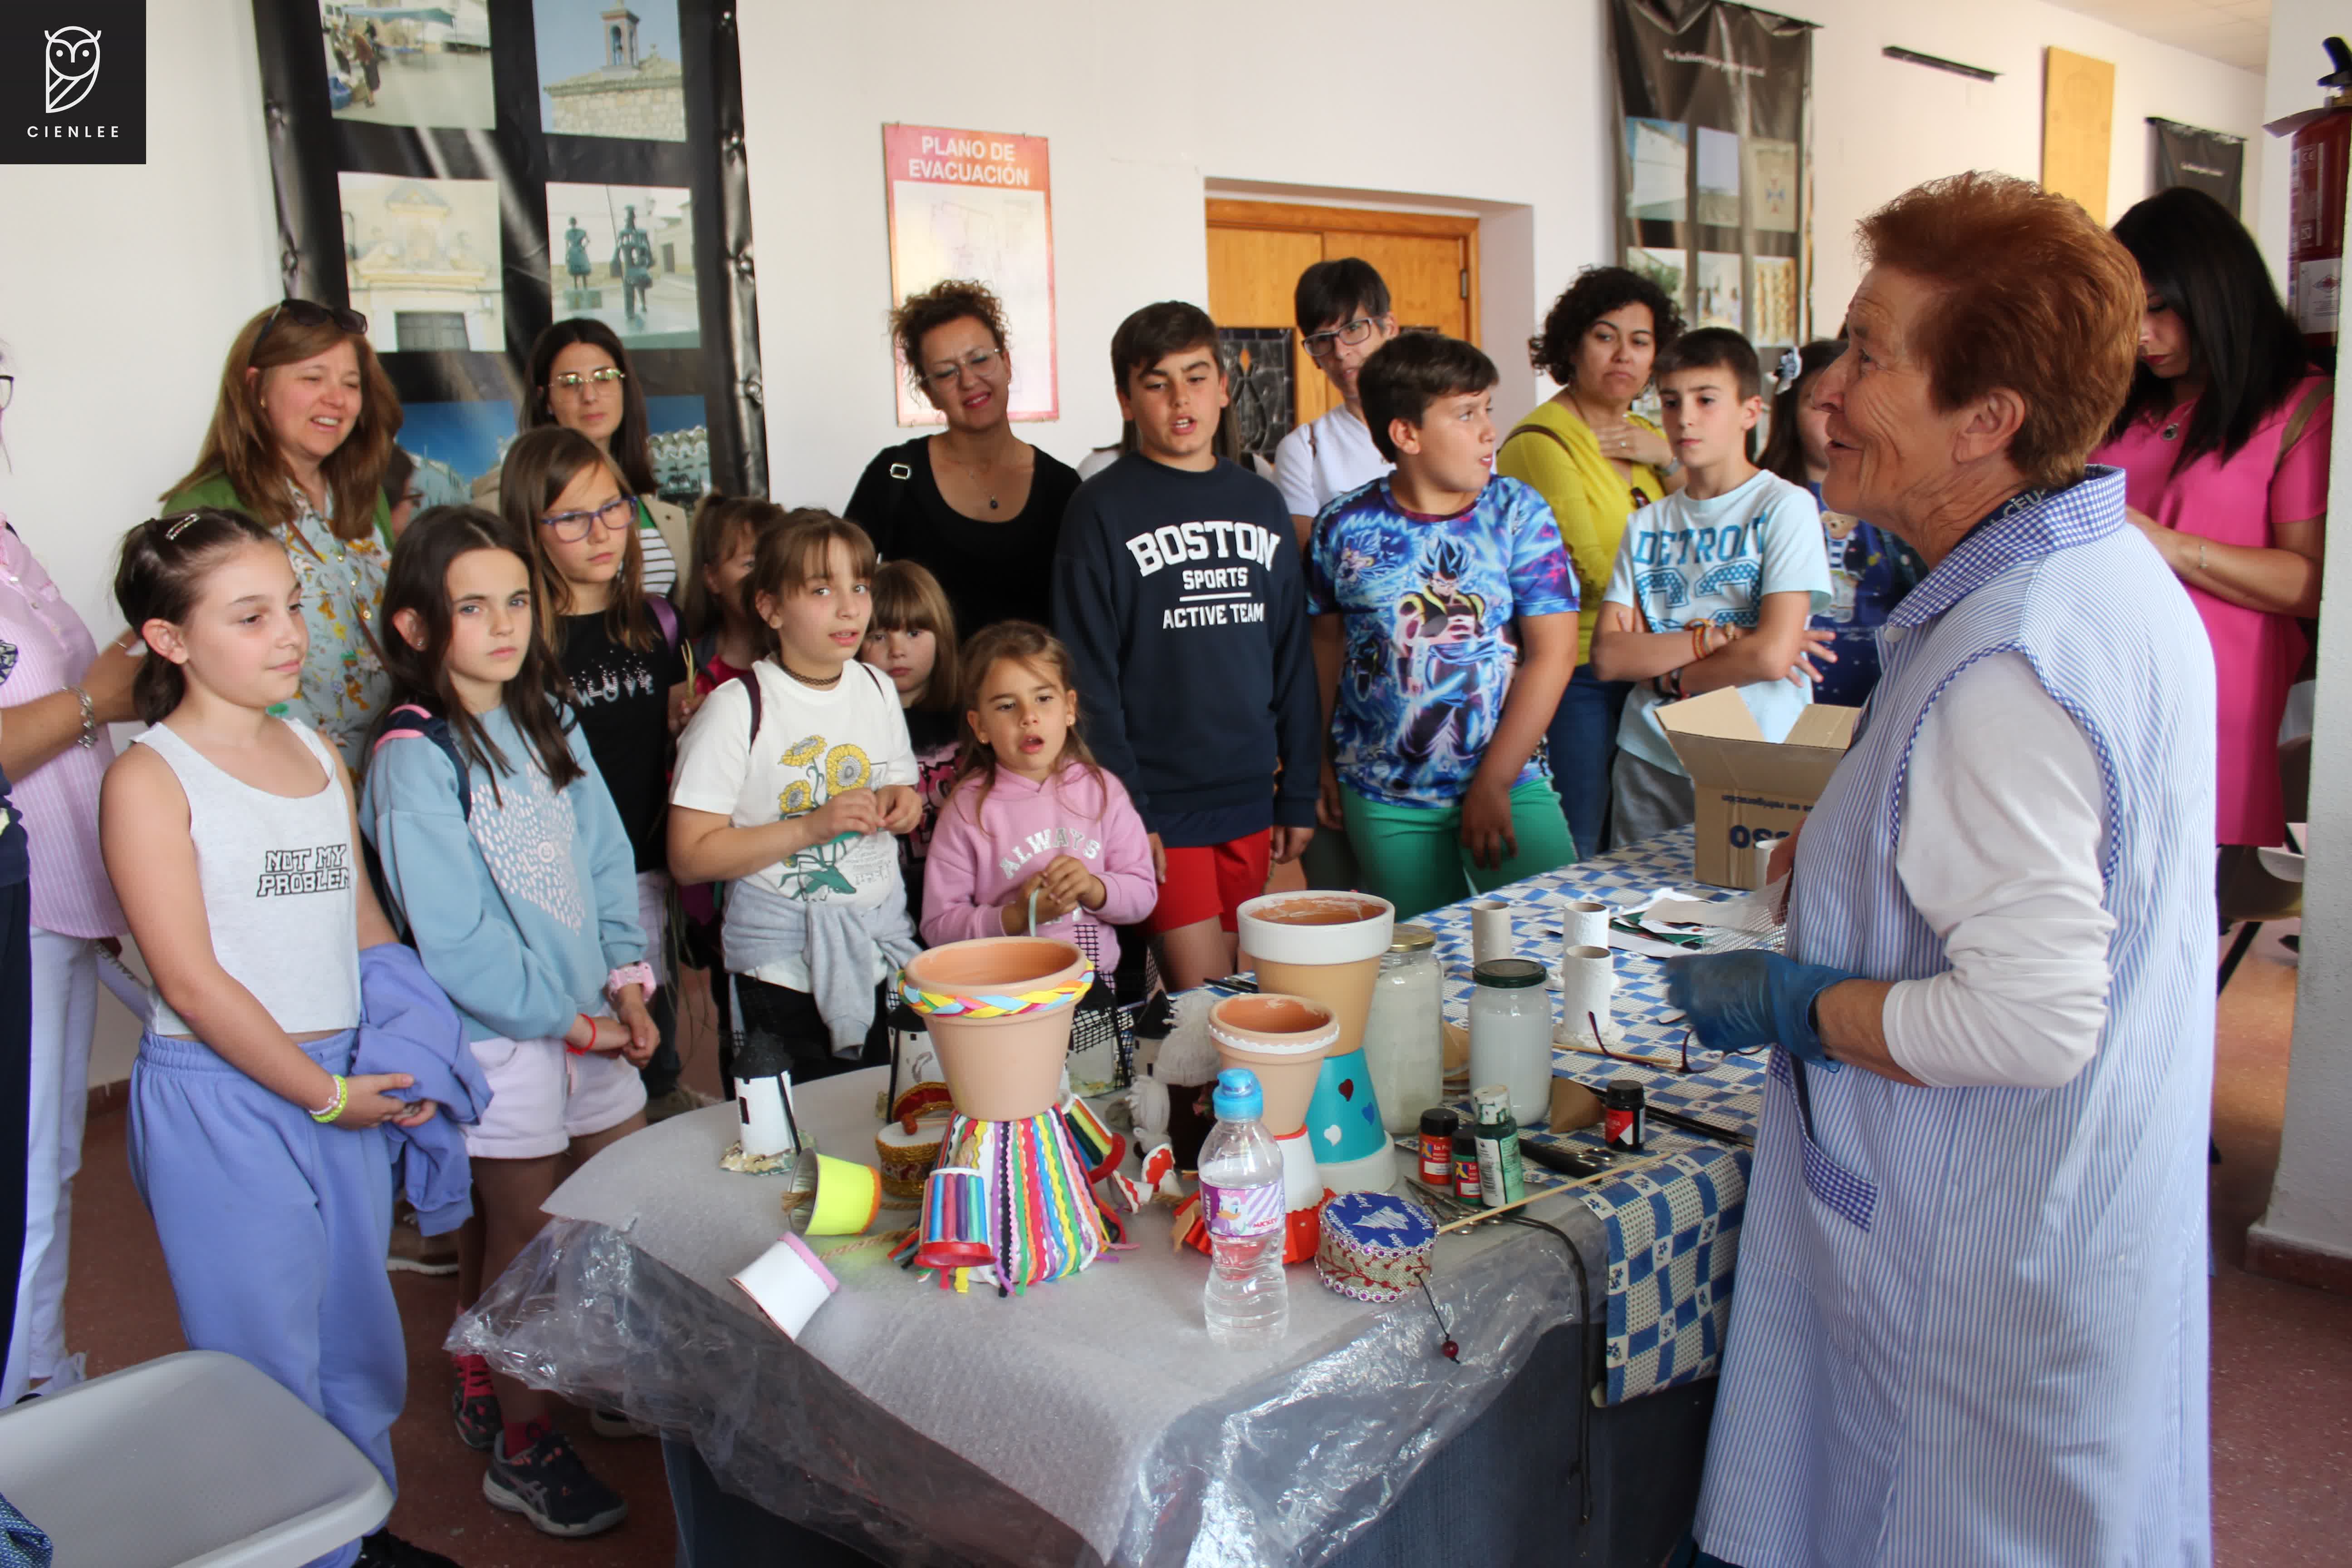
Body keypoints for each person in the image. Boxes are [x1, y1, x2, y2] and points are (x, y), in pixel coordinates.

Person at [1668, 172, 2215, 1568]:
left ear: (1988, 420)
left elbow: (2032, 1020)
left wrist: (1798, 1006)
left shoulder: (2009, 661)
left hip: (1972, 1268)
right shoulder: (2106, 576)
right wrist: (1857, 843)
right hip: (2069, 1214)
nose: (1828, 395)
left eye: (1869, 357)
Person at [101, 508, 456, 1568]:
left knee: (358, 1333)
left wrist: (409, 1036)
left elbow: (360, 920)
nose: (292, 633)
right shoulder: (149, 779)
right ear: (169, 639)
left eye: (292, 606)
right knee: (261, 1353)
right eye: (250, 616)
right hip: (227, 1096)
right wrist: (322, 1093)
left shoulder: (311, 749)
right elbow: (190, 980)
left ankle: (355, 1531)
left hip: (338, 1080)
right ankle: (295, 1552)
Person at [362, 507, 653, 1540]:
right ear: (414, 627)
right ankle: (521, 1445)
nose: (503, 625)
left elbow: (606, 857)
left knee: (615, 1207)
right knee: (528, 1245)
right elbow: (456, 939)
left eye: (517, 602)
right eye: (472, 607)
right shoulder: (414, 756)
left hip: (592, 1019)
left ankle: (587, 1373)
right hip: (502, 1036)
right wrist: (569, 1023)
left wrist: (625, 981)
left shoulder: (548, 714)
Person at [1053, 301, 1318, 991]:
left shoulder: (1261, 502)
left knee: (1258, 995)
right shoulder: (1099, 508)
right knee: (1203, 998)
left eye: (1196, 378)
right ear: (1126, 400)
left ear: (1224, 388)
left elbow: (1292, 657)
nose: (1180, 399)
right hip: (1160, 803)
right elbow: (1089, 680)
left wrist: (1298, 792)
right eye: (1157, 382)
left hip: (1252, 793)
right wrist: (1127, 812)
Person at [1306, 333, 1578, 921]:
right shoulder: (1342, 527)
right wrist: (1318, 763)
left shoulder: (1518, 513)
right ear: (1406, 434)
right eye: (1465, 414)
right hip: (1385, 794)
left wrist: (1494, 783)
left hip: (1513, 778)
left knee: (1557, 936)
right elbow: (1325, 647)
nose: (1488, 431)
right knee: (1425, 956)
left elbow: (1553, 655)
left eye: (1487, 410)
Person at [2092, 185, 2329, 853]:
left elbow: (2312, 584)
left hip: (2215, 709)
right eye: (2127, 313)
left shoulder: (2297, 407)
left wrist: (2168, 546)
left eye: (2158, 309)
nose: (2141, 336)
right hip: (2101, 686)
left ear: (2215, 293)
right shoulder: (2118, 402)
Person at [668, 513, 921, 1083]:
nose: (850, 609)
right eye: (822, 590)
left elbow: (900, 785)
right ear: (771, 608)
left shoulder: (877, 687)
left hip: (878, 950)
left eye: (860, 586)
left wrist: (902, 804)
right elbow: (689, 857)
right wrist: (810, 828)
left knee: (885, 1111)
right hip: (780, 971)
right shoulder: (736, 708)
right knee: (795, 1127)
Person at [499, 427, 692, 1118]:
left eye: (614, 507)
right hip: (561, 875)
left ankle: (657, 1114)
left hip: (646, 863)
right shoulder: (521, 640)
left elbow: (674, 732)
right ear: (530, 528)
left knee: (651, 1029)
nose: (603, 531)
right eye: (572, 518)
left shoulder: (656, 621)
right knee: (576, 1041)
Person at [0, 478, 143, 1402]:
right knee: (23, 1169)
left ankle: (38, 1369)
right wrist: (94, 701)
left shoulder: (9, 538)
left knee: (46, 1160)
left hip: (59, 889)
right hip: (19, 901)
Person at [1589, 328, 1829, 848]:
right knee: (1640, 896)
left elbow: (1771, 658)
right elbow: (1609, 657)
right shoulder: (1647, 523)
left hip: (1757, 750)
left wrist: (1667, 674)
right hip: (1651, 752)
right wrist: (1722, 639)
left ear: (1750, 411)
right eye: (1671, 402)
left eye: (1706, 400)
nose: (1685, 419)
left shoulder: (1784, 507)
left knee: (1752, 897)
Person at [1496, 267, 1683, 859]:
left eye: (1640, 341)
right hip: (1577, 671)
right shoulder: (1542, 440)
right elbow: (1591, 572)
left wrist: (1671, 458)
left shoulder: (1650, 438)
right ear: (1572, 346)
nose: (1624, 354)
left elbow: (1710, 523)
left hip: (1652, 667)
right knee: (1581, 845)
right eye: (1606, 336)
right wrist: (1694, 623)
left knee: (1648, 844)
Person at [162, 298, 401, 763]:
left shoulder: (364, 495)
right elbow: (181, 673)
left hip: (390, 763)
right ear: (256, 388)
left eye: (351, 384)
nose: (337, 399)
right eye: (313, 379)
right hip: (284, 771)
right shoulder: (206, 506)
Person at [920, 620, 1157, 976]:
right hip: (1004, 992)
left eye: (1043, 699)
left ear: (1069, 707)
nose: (1028, 717)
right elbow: (938, 927)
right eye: (1006, 706)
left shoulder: (1104, 791)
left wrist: (1093, 888)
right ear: (979, 726)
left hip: (1093, 986)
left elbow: (1143, 896)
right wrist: (1016, 916)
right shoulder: (967, 809)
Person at [846, 279, 1081, 637]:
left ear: (1006, 363)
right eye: (946, 373)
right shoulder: (894, 476)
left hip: (1034, 676)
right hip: (919, 679)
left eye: (980, 360)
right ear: (929, 392)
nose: (969, 381)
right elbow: (844, 593)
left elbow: (1085, 614)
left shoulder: (1064, 488)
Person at [1758, 340, 1925, 707]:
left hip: (1881, 701)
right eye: (1820, 405)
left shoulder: (1900, 502)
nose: (1838, 417)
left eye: (1852, 401)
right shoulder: (1758, 500)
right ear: (1790, 412)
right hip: (1780, 702)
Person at [475, 318, 691, 596]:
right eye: (570, 383)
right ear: (546, 399)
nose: (589, 396)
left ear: (623, 387)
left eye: (604, 377)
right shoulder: (504, 500)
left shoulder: (661, 511)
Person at [1274, 258, 1399, 549]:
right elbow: (1311, 559)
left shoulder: (1447, 425)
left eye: (1353, 329)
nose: (1340, 352)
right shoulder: (1305, 449)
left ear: (1389, 328)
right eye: (1322, 340)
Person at [863, 559, 962, 917]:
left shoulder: (969, 716)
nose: (897, 650)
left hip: (958, 901)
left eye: (914, 633)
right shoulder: (852, 725)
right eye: (878, 636)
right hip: (882, 905)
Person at [564, 217, 592, 296]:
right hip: (579, 251)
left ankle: (579, 288)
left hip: (574, 251)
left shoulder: (568, 233)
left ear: (571, 224)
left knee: (578, 270)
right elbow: (588, 241)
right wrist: (583, 247)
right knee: (580, 270)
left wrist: (567, 256)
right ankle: (583, 288)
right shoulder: (581, 231)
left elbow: (567, 245)